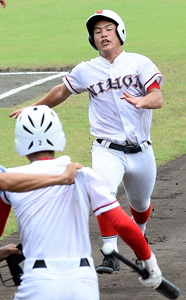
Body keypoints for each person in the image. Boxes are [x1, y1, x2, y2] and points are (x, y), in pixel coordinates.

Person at [10, 9, 164, 274]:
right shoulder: (87, 70)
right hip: (107, 148)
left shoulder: (140, 63)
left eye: (108, 29)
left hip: (142, 150)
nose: (103, 34)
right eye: (97, 31)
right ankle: (110, 252)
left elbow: (157, 97)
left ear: (120, 32)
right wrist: (32, 108)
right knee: (104, 191)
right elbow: (61, 91)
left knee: (140, 204)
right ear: (92, 40)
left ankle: (140, 240)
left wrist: (141, 100)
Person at [2, 105, 162, 299]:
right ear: (59, 137)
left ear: (19, 142)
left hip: (38, 283)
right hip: (82, 283)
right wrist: (149, 261)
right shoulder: (83, 175)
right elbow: (121, 222)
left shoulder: (9, 180)